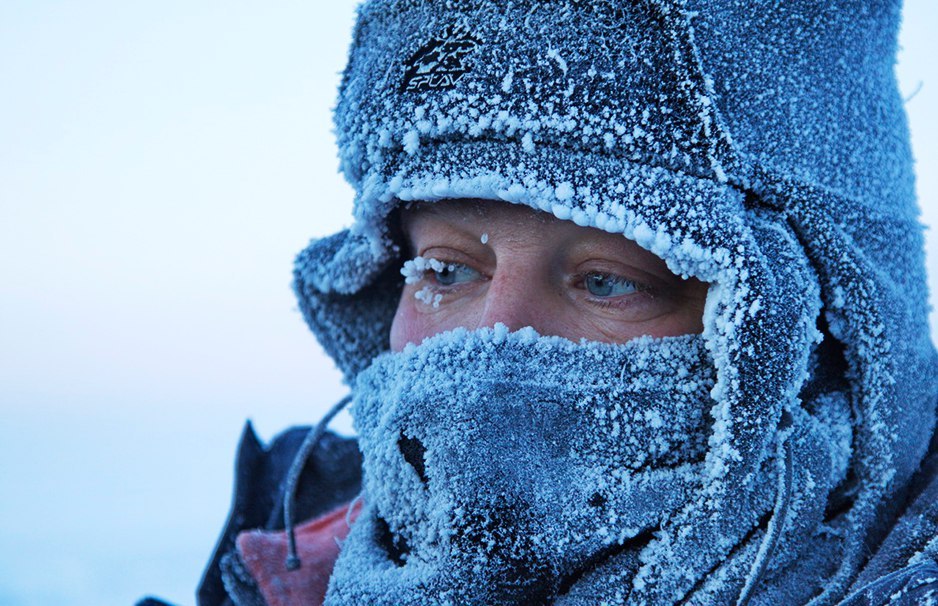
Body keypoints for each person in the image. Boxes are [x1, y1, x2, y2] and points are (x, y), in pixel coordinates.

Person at [140, 0, 938, 604]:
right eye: (446, 271)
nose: (495, 342)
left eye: (608, 280)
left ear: (825, 343)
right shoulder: (287, 551)